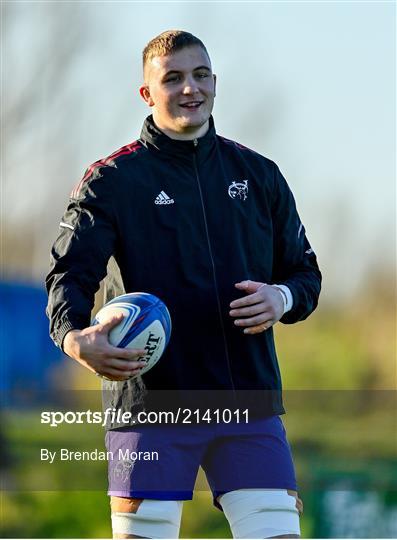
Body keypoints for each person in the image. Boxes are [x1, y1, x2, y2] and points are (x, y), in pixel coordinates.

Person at [46, 30, 321, 539]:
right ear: (147, 94)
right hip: (151, 404)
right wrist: (74, 338)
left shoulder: (259, 175)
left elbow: (306, 275)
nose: (189, 88)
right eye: (172, 78)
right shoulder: (110, 180)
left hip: (248, 402)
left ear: (214, 83)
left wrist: (279, 298)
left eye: (200, 75)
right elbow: (68, 277)